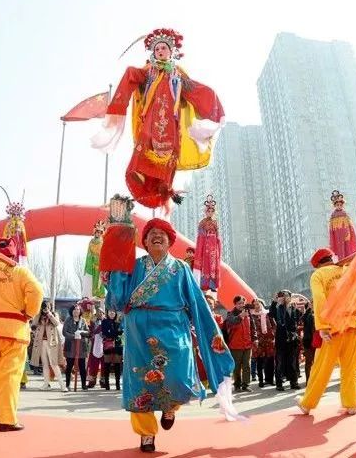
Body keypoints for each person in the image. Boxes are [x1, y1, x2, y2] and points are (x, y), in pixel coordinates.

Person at [105, 218, 237, 453]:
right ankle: (146, 434)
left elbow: (196, 302)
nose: (157, 236)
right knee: (139, 381)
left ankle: (170, 407)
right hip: (138, 332)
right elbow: (118, 298)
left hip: (173, 328)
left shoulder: (180, 268)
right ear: (144, 241)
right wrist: (116, 249)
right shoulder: (134, 267)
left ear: (169, 241)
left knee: (178, 376)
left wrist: (211, 331)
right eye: (151, 233)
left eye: (162, 234)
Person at [91, 28, 225, 210]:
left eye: (163, 48)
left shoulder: (178, 73)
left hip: (171, 126)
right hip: (150, 124)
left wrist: (212, 102)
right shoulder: (149, 71)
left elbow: (194, 90)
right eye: (157, 49)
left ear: (171, 51)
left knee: (167, 158)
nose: (160, 51)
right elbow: (133, 75)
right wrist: (120, 103)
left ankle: (164, 188)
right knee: (141, 158)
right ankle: (143, 183)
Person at [0, 238, 43, 431]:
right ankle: (7, 418)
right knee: (9, 375)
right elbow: (37, 291)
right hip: (13, 329)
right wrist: (29, 313)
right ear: (14, 254)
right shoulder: (20, 271)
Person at [298, 248, 356, 417]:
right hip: (352, 323)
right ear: (332, 258)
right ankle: (351, 404)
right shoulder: (348, 270)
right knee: (350, 367)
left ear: (317, 264)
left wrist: (322, 326)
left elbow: (320, 299)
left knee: (323, 367)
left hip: (333, 326)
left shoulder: (318, 275)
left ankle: (307, 403)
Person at [31, 303, 67, 391]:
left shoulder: (53, 314)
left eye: (47, 307)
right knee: (44, 364)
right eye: (43, 307)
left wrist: (49, 314)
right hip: (41, 342)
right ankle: (46, 384)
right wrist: (39, 314)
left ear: (50, 307)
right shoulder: (39, 316)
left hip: (52, 342)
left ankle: (62, 385)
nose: (45, 309)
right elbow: (34, 324)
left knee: (54, 363)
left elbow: (57, 323)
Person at [224, 295, 257, 393]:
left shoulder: (248, 313)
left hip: (247, 344)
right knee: (237, 366)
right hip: (235, 345)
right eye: (239, 303)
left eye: (243, 303)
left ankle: (246, 384)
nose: (241, 305)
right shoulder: (231, 313)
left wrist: (254, 338)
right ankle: (237, 385)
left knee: (247, 365)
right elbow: (231, 323)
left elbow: (252, 327)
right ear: (235, 304)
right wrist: (240, 316)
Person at [271, 290, 301, 391]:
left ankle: (294, 382)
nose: (285, 298)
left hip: (291, 340)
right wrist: (275, 301)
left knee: (292, 362)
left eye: (287, 296)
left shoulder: (293, 308)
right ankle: (279, 383)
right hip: (281, 339)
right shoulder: (277, 308)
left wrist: (292, 308)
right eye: (283, 296)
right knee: (280, 362)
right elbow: (271, 314)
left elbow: (296, 321)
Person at [63, 305, 89, 390]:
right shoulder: (68, 320)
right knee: (69, 366)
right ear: (71, 311)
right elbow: (64, 332)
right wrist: (74, 336)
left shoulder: (83, 320)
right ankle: (67, 384)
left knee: (82, 367)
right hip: (71, 346)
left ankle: (83, 385)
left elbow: (88, 332)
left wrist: (81, 333)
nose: (76, 311)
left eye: (77, 309)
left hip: (81, 346)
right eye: (74, 309)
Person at [251, 299, 275, 388]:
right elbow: (251, 329)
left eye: (258, 304)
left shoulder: (267, 314)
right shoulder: (252, 316)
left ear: (262, 304)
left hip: (269, 340)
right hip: (258, 341)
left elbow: (274, 325)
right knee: (260, 362)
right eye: (255, 305)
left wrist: (273, 336)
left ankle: (270, 379)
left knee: (270, 361)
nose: (257, 306)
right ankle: (261, 380)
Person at [101, 310, 123, 391]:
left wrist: (112, 332)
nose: (112, 313)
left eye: (113, 312)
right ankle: (107, 384)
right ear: (107, 313)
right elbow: (105, 332)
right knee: (107, 365)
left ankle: (118, 384)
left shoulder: (119, 322)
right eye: (110, 312)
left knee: (117, 365)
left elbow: (121, 332)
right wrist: (114, 333)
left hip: (117, 345)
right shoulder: (104, 321)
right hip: (108, 345)